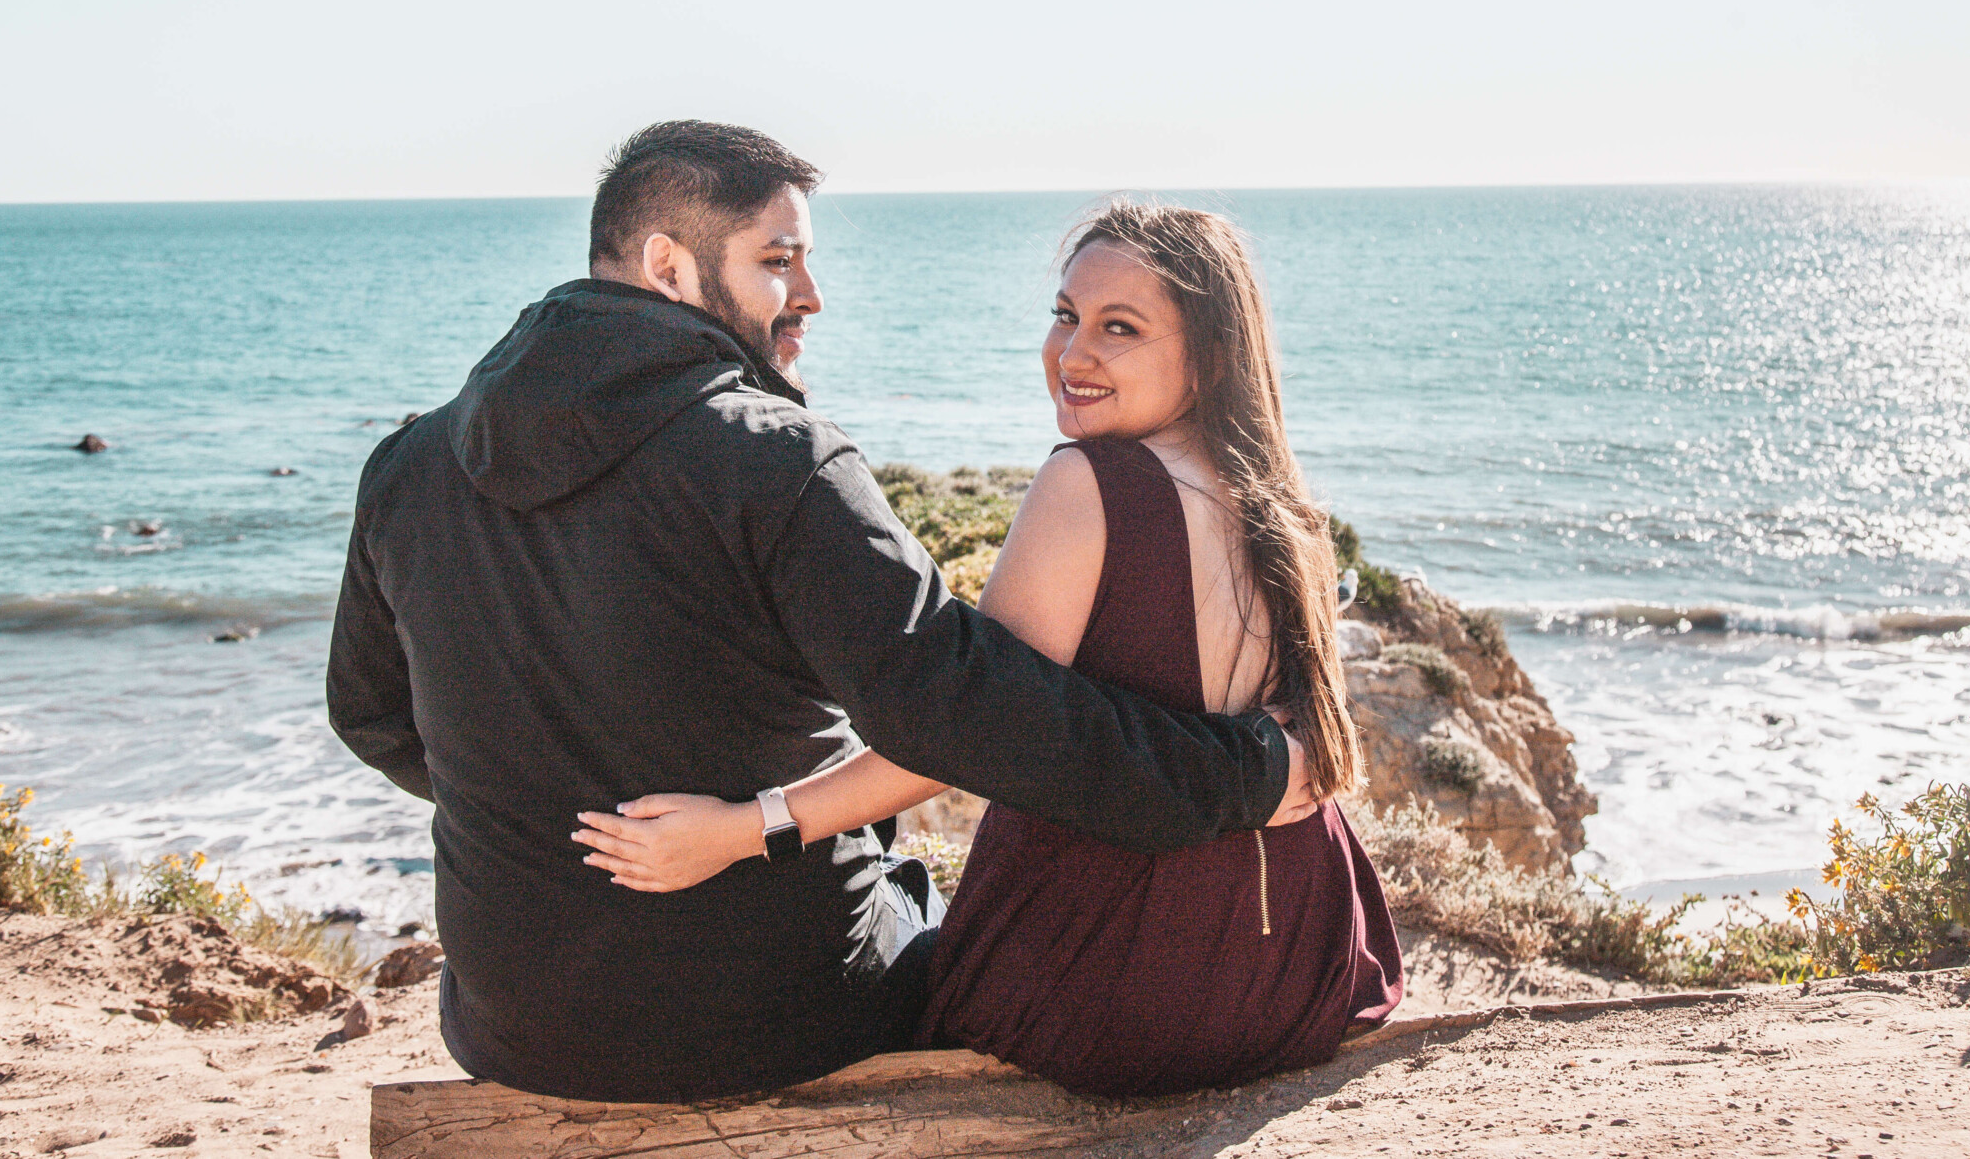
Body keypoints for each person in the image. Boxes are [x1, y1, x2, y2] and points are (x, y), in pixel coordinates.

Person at [328, 122, 1313, 1105]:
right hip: (773, 1018)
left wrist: (544, 805)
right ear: (667, 264)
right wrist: (1246, 771)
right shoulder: (778, 459)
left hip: (511, 1025)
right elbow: (962, 714)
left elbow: (371, 717)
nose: (809, 294)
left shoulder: (407, 465)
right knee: (925, 908)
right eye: (777, 260)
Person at [579, 200, 1402, 1097]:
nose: (1073, 351)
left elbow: (956, 736)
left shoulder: (1086, 484)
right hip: (1307, 971)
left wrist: (744, 829)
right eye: (1065, 314)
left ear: (1207, 357)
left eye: (1118, 327)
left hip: (1125, 996)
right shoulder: (1283, 505)